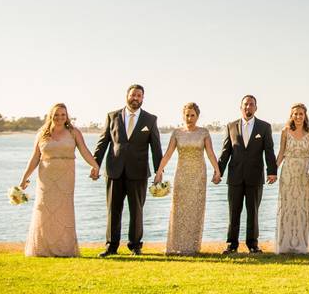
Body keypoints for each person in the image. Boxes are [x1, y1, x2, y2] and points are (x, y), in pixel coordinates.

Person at [20, 103, 100, 257]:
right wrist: (24, 178)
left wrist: (95, 166)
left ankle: (65, 250)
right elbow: (35, 157)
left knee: (64, 212)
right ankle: (42, 249)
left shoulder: (74, 132)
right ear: (51, 116)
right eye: (56, 114)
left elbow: (84, 150)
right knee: (44, 211)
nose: (60, 117)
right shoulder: (42, 133)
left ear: (67, 116)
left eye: (63, 115)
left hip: (66, 177)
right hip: (46, 177)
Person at [92, 84, 163, 257]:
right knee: (113, 210)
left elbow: (156, 147)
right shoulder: (113, 116)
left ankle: (135, 246)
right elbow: (103, 143)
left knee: (136, 210)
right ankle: (111, 246)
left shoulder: (150, 119)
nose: (135, 98)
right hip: (114, 170)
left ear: (143, 98)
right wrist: (95, 165)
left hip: (138, 172)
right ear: (127, 96)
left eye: (139, 95)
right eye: (133, 95)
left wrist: (158, 171)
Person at [154, 102, 221, 255]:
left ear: (197, 116)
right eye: (187, 115)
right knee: (179, 209)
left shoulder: (204, 132)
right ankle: (176, 245)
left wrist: (217, 171)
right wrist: (159, 172)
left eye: (192, 115)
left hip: (198, 175)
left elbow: (210, 153)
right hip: (182, 174)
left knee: (195, 209)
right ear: (183, 115)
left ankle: (192, 246)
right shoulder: (177, 133)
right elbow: (168, 154)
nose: (189, 118)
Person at [217, 95, 277, 253]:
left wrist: (272, 172)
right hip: (235, 176)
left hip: (255, 177)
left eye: (251, 105)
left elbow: (269, 151)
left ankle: (253, 244)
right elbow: (225, 152)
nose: (248, 107)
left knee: (253, 212)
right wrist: (218, 172)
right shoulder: (231, 126)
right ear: (240, 107)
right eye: (245, 104)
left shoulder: (264, 127)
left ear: (256, 108)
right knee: (234, 212)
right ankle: (232, 244)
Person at [275, 103, 309, 253]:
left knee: (302, 208)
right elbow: (281, 153)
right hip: (288, 173)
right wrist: (273, 171)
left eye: (301, 114)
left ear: (305, 115)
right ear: (291, 115)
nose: (298, 116)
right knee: (287, 208)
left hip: (304, 174)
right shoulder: (285, 131)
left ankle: (302, 244)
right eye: (295, 114)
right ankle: (285, 245)